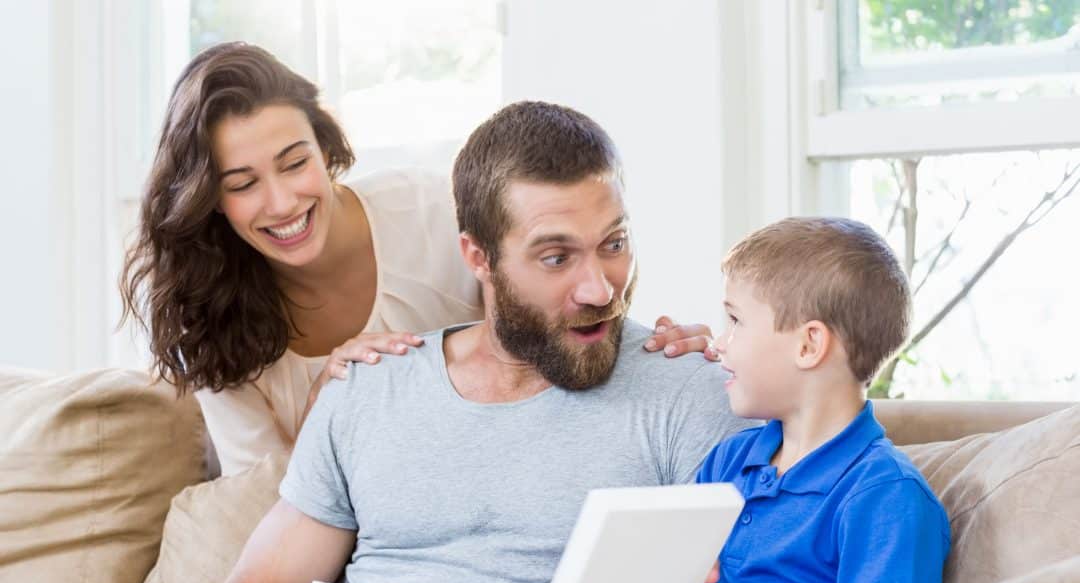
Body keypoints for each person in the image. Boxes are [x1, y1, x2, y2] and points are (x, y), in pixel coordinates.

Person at [204, 100, 755, 583]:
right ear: (477, 257)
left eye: (613, 244)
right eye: (556, 256)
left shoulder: (692, 396)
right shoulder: (368, 389)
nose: (599, 289)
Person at [119, 42, 713, 477]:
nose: (282, 202)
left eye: (295, 162)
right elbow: (267, 518)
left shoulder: (433, 210)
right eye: (242, 183)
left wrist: (646, 354)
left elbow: (555, 292)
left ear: (326, 149)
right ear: (210, 200)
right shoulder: (207, 316)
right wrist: (328, 408)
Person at [594, 218, 952, 583]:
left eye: (736, 321)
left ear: (808, 345)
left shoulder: (885, 494)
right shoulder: (728, 463)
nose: (720, 344)